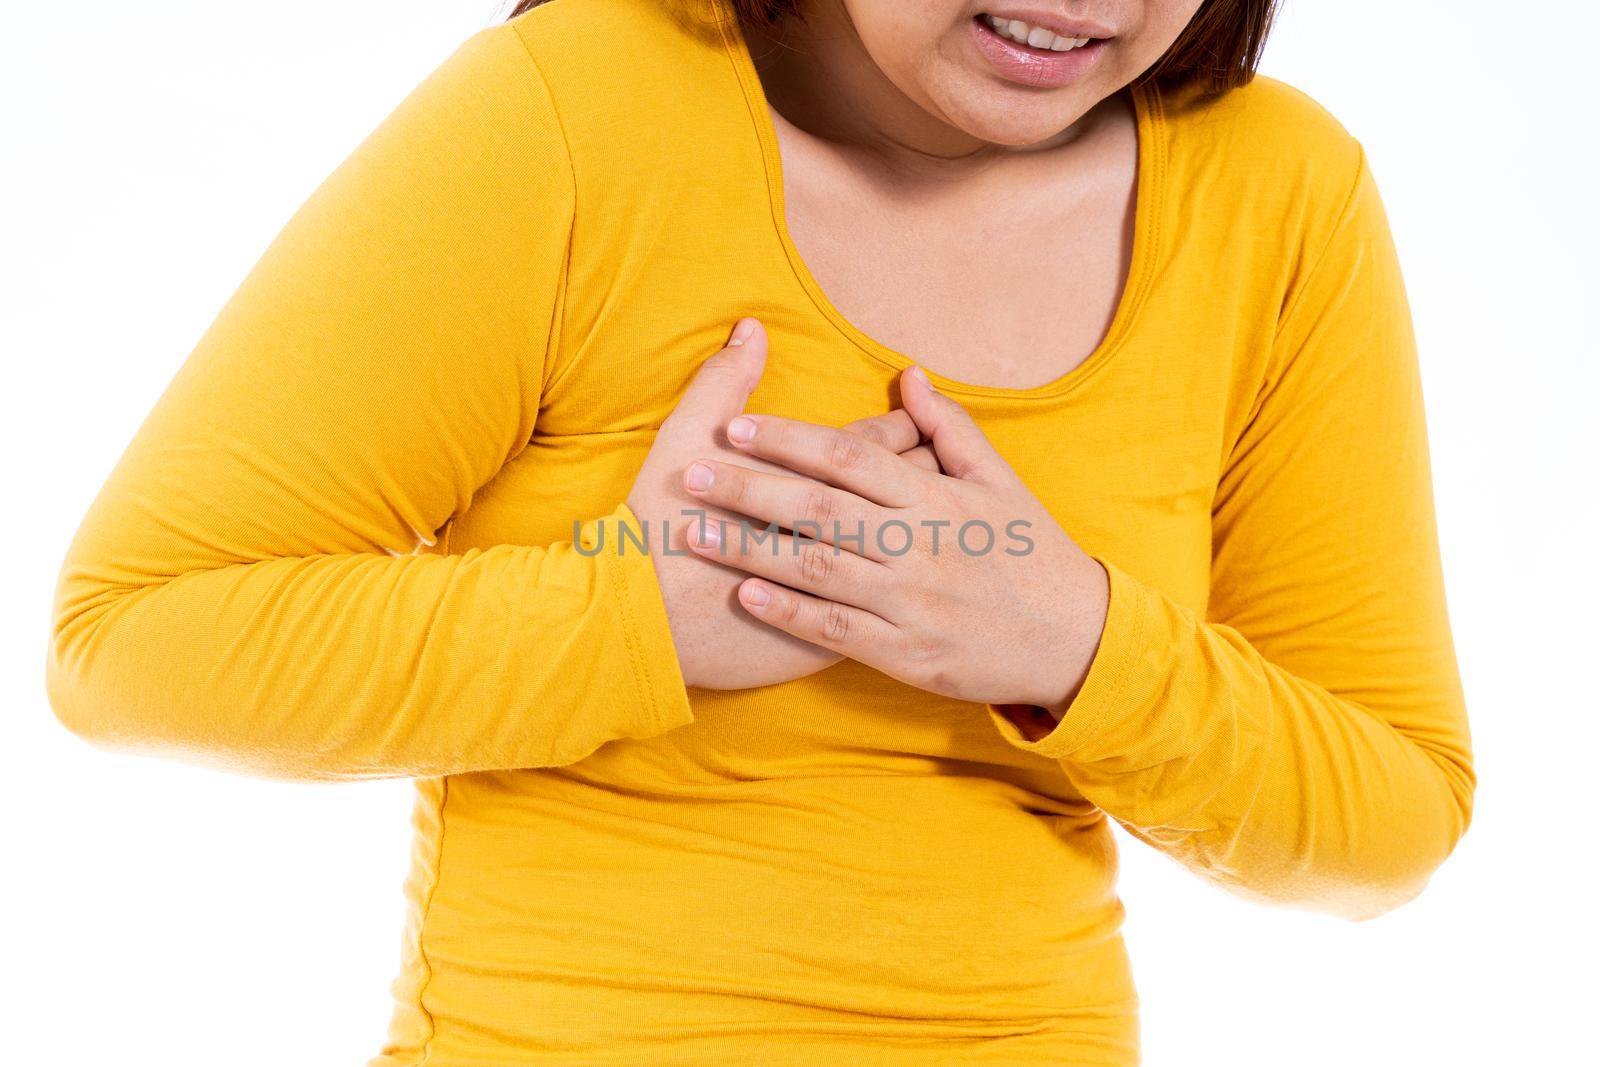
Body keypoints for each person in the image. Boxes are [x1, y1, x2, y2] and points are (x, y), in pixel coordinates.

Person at [44, 0, 1477, 1062]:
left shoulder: (1279, 194)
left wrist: (1078, 644)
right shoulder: (580, 107)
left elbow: (1388, 823)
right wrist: (634, 611)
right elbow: (132, 641)